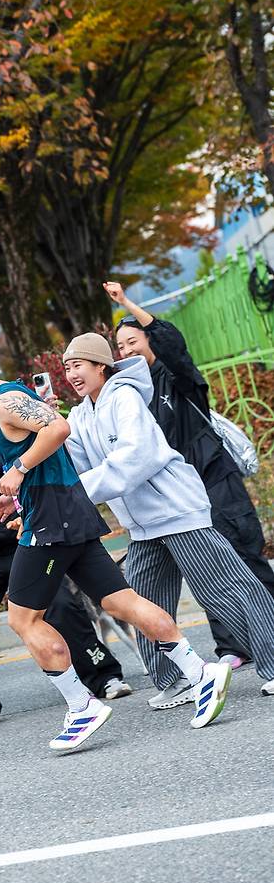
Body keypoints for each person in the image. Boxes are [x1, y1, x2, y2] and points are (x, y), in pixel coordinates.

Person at [0, 353, 229, 751]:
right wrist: (18, 496)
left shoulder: (4, 401)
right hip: (70, 512)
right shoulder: (16, 396)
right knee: (122, 601)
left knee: (23, 619)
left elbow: (59, 428)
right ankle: (201, 673)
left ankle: (80, 705)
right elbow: (51, 448)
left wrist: (18, 469)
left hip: (51, 525)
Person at [62, 333, 274, 702]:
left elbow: (136, 457)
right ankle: (174, 682)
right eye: (66, 367)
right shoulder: (79, 415)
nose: (71, 374)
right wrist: (53, 429)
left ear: (101, 366)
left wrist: (78, 491)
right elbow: (76, 467)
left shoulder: (125, 396)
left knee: (226, 590)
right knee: (139, 600)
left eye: (78, 364)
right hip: (141, 526)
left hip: (176, 511)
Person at [0, 399, 132, 736]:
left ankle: (103, 675)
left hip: (22, 543)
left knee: (59, 604)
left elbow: (27, 482)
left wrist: (19, 516)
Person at [106, 280, 274, 671]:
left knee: (245, 555)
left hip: (215, 478)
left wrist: (126, 302)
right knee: (209, 567)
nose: (127, 350)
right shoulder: (129, 393)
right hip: (180, 492)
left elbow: (172, 344)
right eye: (121, 346)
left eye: (134, 341)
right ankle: (234, 644)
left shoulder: (175, 375)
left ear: (149, 341)